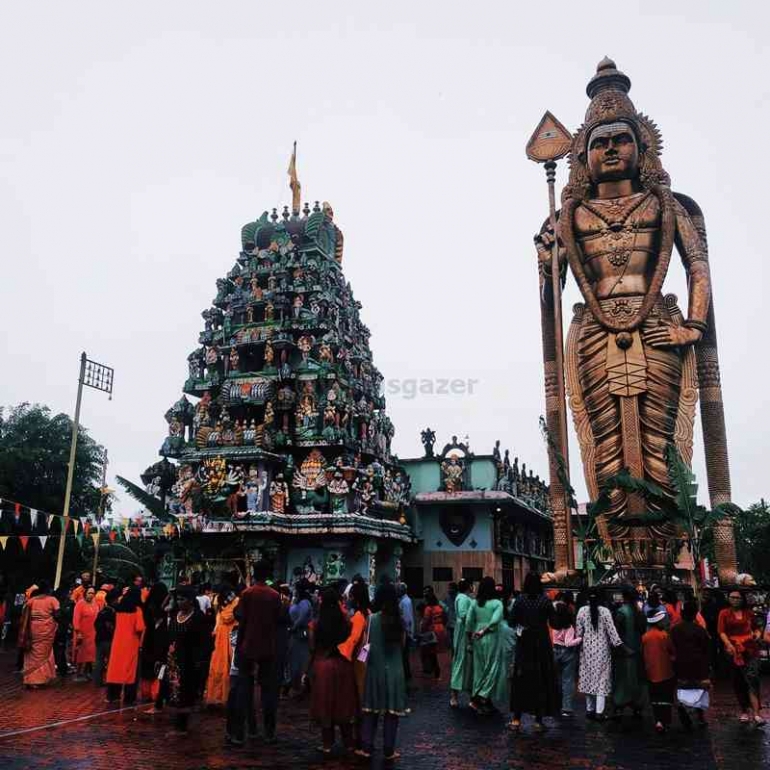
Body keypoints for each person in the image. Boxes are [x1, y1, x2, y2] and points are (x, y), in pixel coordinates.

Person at [231, 561, 282, 744]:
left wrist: (239, 647)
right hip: (268, 646)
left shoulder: (247, 594)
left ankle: (241, 732)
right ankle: (269, 732)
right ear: (268, 575)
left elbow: (240, 619)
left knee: (244, 689)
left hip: (248, 645)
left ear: (254, 574)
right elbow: (279, 619)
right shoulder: (275, 595)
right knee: (268, 691)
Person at [358, 583, 407, 762]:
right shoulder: (399, 621)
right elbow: (402, 646)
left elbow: (366, 646)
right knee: (391, 713)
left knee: (371, 711)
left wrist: (360, 664)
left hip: (374, 670)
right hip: (395, 672)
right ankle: (389, 750)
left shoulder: (372, 620)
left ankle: (367, 747)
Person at [307, 587, 358, 755]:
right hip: (343, 665)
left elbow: (312, 647)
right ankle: (348, 742)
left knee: (325, 705)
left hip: (323, 665)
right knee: (344, 704)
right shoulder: (346, 622)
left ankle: (327, 744)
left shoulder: (316, 624)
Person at [509, 572, 559, 730]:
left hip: (524, 644)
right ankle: (538, 720)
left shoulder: (520, 600)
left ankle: (516, 720)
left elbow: (511, 621)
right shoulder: (545, 601)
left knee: (521, 680)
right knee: (540, 680)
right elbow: (555, 623)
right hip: (541, 645)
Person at [576, 589, 624, 721]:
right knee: (601, 680)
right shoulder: (605, 611)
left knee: (588, 677)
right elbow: (612, 633)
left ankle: (589, 710)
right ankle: (599, 711)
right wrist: (621, 647)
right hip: (603, 650)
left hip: (586, 650)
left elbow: (579, 633)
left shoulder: (582, 611)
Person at [164, 587, 208, 733]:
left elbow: (203, 641)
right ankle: (177, 723)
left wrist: (199, 660)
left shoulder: (198, 617)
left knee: (186, 692)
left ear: (190, 601)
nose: (179, 602)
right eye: (177, 599)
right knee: (173, 692)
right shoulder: (176, 615)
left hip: (189, 662)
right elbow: (169, 636)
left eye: (182, 599)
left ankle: (182, 725)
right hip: (173, 661)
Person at [718, 590, 764, 726]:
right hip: (733, 651)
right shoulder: (724, 613)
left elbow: (757, 628)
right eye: (732, 597)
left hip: (750, 650)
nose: (735, 600)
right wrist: (728, 645)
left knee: (753, 679)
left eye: (738, 598)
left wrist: (756, 635)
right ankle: (744, 710)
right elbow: (721, 632)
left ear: (742, 599)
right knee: (738, 681)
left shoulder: (749, 613)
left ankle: (756, 713)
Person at [671, 599, 711, 730]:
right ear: (695, 614)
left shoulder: (675, 630)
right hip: (698, 665)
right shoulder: (700, 630)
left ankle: (683, 709)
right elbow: (706, 649)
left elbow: (672, 648)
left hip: (681, 664)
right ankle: (700, 717)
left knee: (682, 689)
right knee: (699, 690)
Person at [105, 586, 145, 705]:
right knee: (130, 672)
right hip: (131, 643)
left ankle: (112, 695)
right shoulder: (137, 610)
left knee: (115, 669)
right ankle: (129, 698)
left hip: (117, 642)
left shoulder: (118, 609)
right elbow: (139, 627)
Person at [612, 587, 647, 719]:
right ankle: (637, 705)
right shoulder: (639, 612)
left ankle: (620, 704)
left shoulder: (621, 612)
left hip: (624, 652)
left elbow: (616, 634)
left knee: (622, 678)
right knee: (637, 678)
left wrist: (623, 648)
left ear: (624, 597)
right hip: (637, 651)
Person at [642, 608, 676, 733]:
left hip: (650, 673)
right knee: (666, 698)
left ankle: (658, 721)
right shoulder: (664, 636)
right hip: (666, 672)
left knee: (655, 699)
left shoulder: (645, 637)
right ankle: (665, 721)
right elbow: (672, 651)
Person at [21, 580, 60, 688]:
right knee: (44, 654)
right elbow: (58, 614)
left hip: (32, 631)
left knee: (31, 653)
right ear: (49, 590)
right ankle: (38, 680)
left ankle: (29, 679)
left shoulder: (31, 600)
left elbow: (24, 613)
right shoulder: (53, 600)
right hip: (47, 630)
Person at [205, 586, 239, 706]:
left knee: (222, 666)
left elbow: (224, 617)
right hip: (225, 636)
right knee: (224, 666)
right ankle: (221, 697)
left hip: (226, 636)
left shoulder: (230, 601)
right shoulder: (235, 600)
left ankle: (219, 696)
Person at [551, 595, 582, 717]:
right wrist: (580, 638)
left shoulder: (553, 625)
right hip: (568, 654)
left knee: (556, 680)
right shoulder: (568, 627)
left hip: (555, 651)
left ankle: (555, 705)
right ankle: (566, 708)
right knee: (568, 680)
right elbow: (569, 643)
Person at [139, 582, 170, 704]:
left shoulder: (147, 605)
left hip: (148, 639)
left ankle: (146, 693)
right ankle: (157, 693)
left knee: (147, 667)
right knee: (160, 666)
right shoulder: (166, 606)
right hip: (162, 639)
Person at [449, 579, 473, 708]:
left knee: (463, 663)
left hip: (462, 633)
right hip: (464, 633)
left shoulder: (461, 597)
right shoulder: (464, 598)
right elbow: (464, 615)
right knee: (461, 662)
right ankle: (454, 696)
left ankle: (457, 696)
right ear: (469, 586)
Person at [287, 580, 313, 694]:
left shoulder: (305, 603)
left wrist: (293, 627)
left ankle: (302, 686)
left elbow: (301, 618)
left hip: (300, 635)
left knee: (301, 662)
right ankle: (296, 685)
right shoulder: (296, 601)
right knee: (294, 661)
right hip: (294, 635)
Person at [419, 586, 447, 678]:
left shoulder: (428, 608)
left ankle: (435, 671)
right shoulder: (439, 606)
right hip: (441, 629)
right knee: (437, 652)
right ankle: (438, 671)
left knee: (431, 652)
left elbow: (426, 621)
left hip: (432, 630)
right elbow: (445, 616)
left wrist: (421, 632)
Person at [72, 586, 99, 681]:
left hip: (93, 633)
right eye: (89, 593)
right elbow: (76, 619)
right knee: (80, 653)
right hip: (82, 632)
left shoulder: (95, 604)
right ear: (85, 594)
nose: (91, 595)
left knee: (90, 654)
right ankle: (78, 674)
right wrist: (78, 631)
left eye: (93, 593)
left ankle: (87, 673)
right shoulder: (80, 604)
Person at [93, 589, 118, 686]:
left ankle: (97, 681)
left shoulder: (101, 612)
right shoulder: (113, 612)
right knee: (111, 661)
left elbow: (96, 625)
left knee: (99, 660)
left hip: (99, 639)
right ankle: (111, 680)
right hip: (109, 639)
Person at [397, 583, 414, 682]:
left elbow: (407, 619)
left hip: (405, 633)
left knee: (404, 655)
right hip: (406, 632)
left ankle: (407, 674)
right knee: (405, 655)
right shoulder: (405, 601)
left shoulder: (405, 602)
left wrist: (407, 632)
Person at [444, 582, 458, 656]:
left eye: (450, 588)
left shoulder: (458, 597)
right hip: (450, 623)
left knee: (456, 643)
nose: (449, 590)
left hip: (456, 624)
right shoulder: (448, 597)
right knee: (452, 643)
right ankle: (453, 657)